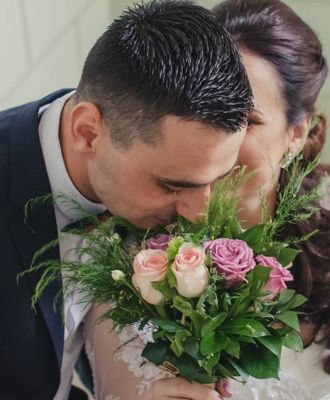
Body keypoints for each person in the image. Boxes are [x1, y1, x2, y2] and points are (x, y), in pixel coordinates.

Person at [83, 0, 330, 399]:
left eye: (245, 120)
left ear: (296, 133)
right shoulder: (131, 257)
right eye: (207, 114)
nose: (220, 141)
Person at [0, 0, 253, 398]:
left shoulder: (125, 169)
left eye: (218, 179)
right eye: (171, 185)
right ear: (87, 132)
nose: (198, 215)